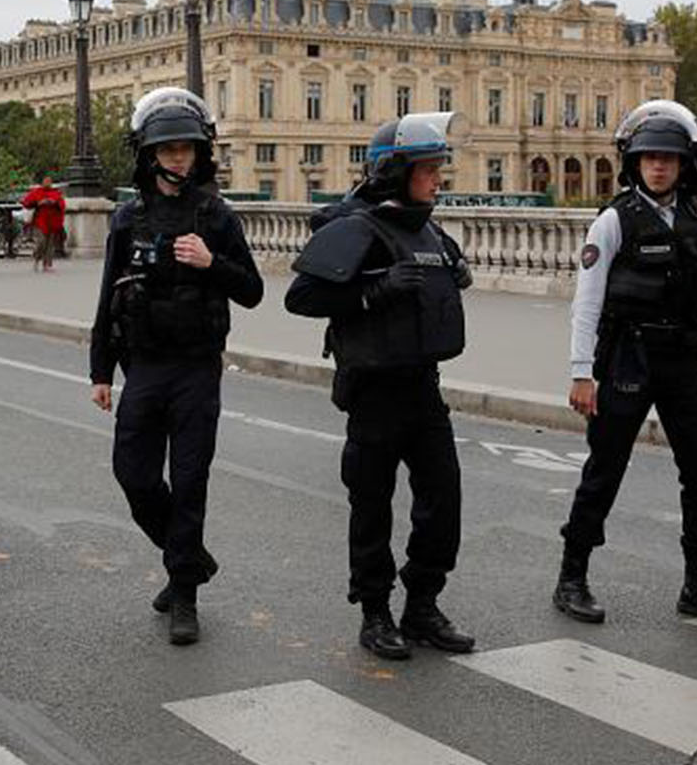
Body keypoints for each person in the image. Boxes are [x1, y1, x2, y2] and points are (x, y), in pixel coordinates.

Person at [554, 100, 697, 628]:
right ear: (635, 164)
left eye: (668, 157)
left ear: (685, 164)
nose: (659, 166)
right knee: (605, 470)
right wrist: (581, 372)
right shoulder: (613, 222)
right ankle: (572, 576)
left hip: (682, 361)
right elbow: (587, 301)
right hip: (628, 356)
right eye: (650, 158)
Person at [285, 112, 478, 661]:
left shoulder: (430, 229)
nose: (438, 178)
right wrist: (374, 292)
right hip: (372, 392)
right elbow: (301, 298)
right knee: (372, 508)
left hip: (423, 387)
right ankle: (375, 612)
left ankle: (422, 606)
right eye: (427, 169)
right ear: (394, 172)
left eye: (439, 168)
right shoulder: (356, 227)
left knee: (443, 502)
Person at [89, 88, 263, 646]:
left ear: (200, 152)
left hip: (196, 369)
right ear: (148, 154)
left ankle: (183, 593)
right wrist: (100, 372)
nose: (178, 158)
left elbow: (254, 290)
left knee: (189, 482)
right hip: (143, 367)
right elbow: (107, 297)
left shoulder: (216, 216)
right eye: (167, 149)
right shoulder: (127, 218)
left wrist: (213, 264)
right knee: (133, 475)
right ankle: (189, 558)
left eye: (187, 148)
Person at [20, 174, 67, 273]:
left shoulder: (55, 193)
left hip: (53, 222)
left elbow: (61, 205)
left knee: (50, 244)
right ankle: (37, 258)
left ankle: (47, 264)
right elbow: (26, 203)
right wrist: (39, 203)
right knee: (41, 241)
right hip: (40, 221)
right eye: (46, 181)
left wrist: (53, 203)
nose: (47, 183)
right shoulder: (37, 192)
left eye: (49, 181)